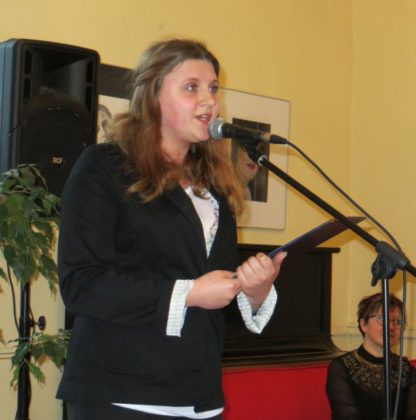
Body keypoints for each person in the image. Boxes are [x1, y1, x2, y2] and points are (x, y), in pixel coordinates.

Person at [56, 38, 286, 420]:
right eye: (191, 87)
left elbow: (213, 296)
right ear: (152, 96)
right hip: (121, 393)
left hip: (199, 394)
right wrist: (191, 292)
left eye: (212, 88)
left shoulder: (215, 187)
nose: (209, 101)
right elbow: (81, 285)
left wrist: (256, 291)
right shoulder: (104, 166)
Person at [326, 293, 416, 420]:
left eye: (398, 322)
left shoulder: (407, 370)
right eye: (382, 319)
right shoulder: (341, 368)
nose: (391, 327)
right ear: (363, 324)